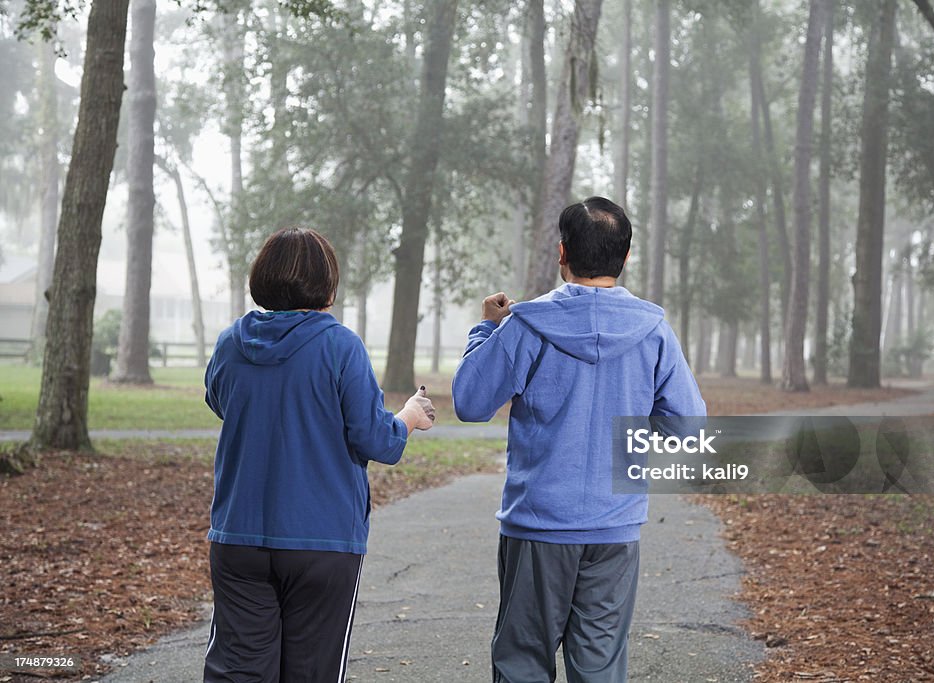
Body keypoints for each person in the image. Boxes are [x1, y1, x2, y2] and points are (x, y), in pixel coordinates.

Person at [452, 196, 705, 682]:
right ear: (625, 257)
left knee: (523, 663)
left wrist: (486, 329)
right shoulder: (653, 330)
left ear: (561, 253)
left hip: (538, 526)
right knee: (600, 668)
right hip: (615, 528)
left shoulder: (525, 324)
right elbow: (687, 424)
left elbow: (470, 402)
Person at [202, 227, 435, 683]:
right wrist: (408, 416)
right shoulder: (340, 345)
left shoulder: (232, 343)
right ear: (327, 284)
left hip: (239, 536)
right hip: (322, 541)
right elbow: (377, 440)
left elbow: (219, 401)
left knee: (238, 671)